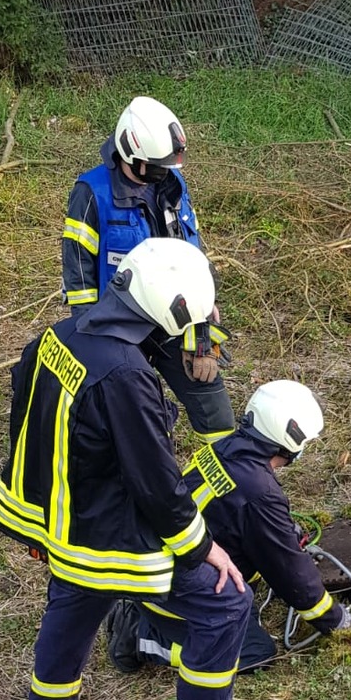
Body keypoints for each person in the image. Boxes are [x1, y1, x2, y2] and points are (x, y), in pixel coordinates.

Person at [0, 238, 277, 700]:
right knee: (224, 601)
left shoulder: (62, 334)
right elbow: (155, 482)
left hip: (62, 520)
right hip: (107, 530)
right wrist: (201, 548)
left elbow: (24, 420)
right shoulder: (127, 375)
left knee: (75, 606)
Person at [105, 380, 351, 676]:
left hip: (160, 566)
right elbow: (292, 575)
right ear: (292, 438)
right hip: (177, 591)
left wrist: (282, 530)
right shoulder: (259, 492)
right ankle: (140, 637)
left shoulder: (224, 448)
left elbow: (231, 516)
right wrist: (334, 620)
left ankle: (140, 608)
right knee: (253, 653)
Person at [62, 95, 234, 441]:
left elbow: (192, 256)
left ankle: (226, 485)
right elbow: (79, 276)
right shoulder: (91, 192)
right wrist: (91, 347)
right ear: (127, 152)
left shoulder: (172, 186)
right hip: (118, 327)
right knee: (127, 418)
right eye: (154, 168)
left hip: (174, 317)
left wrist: (201, 336)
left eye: (165, 168)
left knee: (215, 408)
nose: (160, 176)